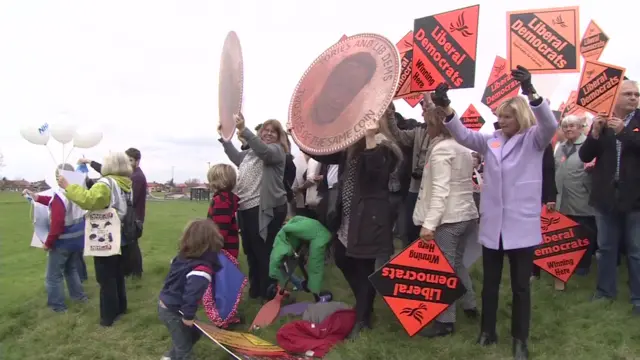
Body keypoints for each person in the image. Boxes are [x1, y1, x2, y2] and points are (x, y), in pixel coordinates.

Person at [441, 65, 557, 360]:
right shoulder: (491, 140)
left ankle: (520, 339)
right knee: (490, 285)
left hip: (521, 226)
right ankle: (487, 331)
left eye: (506, 116)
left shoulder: (534, 140)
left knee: (520, 288)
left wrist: (531, 91)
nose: (500, 120)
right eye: (499, 116)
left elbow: (550, 125)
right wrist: (447, 108)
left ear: (519, 117)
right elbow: (465, 136)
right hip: (494, 226)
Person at [308, 116, 402, 338]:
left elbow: (375, 172)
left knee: (364, 268)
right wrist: (301, 135)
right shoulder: (350, 146)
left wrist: (370, 137)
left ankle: (363, 319)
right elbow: (325, 153)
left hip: (369, 219)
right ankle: (364, 304)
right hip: (348, 217)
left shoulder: (384, 146)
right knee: (342, 258)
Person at [411, 106, 479, 338]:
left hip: (449, 218)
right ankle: (470, 305)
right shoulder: (463, 146)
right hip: (467, 213)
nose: (425, 129)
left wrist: (429, 223)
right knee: (457, 263)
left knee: (444, 269)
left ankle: (445, 321)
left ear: (437, 125)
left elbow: (440, 190)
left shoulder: (441, 150)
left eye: (428, 124)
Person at [578, 79, 640, 314]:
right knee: (605, 248)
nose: (634, 98)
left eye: (636, 94)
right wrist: (594, 133)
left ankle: (638, 299)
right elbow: (585, 156)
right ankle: (605, 292)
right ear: (616, 97)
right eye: (628, 94)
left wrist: (624, 134)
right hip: (605, 198)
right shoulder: (602, 123)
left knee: (636, 251)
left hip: (635, 198)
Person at [58, 152, 134, 327]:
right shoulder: (126, 183)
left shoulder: (106, 183)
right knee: (117, 275)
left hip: (105, 236)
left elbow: (88, 201)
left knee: (105, 277)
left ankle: (108, 317)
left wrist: (68, 187)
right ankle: (121, 308)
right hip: (122, 234)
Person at [219, 114, 288, 300]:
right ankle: (256, 288)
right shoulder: (251, 153)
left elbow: (264, 151)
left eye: (273, 131)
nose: (269, 133)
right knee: (250, 251)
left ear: (279, 136)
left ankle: (269, 291)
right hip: (245, 207)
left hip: (263, 208)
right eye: (265, 130)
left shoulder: (276, 151)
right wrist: (225, 139)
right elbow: (236, 156)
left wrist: (244, 130)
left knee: (263, 252)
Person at [24, 164, 88, 313]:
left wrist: (48, 243)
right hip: (78, 241)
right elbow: (53, 201)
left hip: (62, 242)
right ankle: (79, 297)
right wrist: (35, 196)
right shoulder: (78, 192)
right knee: (71, 270)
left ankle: (57, 306)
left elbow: (57, 223)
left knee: (53, 276)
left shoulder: (61, 196)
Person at [158, 219, 224, 360]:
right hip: (173, 311)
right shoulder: (201, 270)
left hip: (170, 305)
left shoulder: (183, 257)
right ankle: (177, 355)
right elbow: (191, 295)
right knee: (184, 349)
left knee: (194, 333)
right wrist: (188, 316)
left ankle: (170, 357)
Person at [79, 147, 147, 279]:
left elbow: (129, 197)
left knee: (132, 245)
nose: (128, 163)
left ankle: (135, 271)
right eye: (126, 160)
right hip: (129, 215)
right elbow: (108, 172)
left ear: (137, 162)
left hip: (132, 216)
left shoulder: (136, 177)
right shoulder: (128, 177)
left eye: (131, 160)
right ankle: (130, 271)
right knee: (129, 245)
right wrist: (90, 161)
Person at [554, 115, 597, 277]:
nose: (569, 129)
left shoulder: (589, 145)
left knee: (584, 234)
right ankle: (567, 265)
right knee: (567, 236)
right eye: (565, 127)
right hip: (563, 200)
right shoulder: (561, 147)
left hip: (583, 198)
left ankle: (583, 267)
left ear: (580, 127)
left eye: (572, 126)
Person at [206, 164, 240, 259]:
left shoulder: (221, 201)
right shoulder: (227, 199)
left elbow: (220, 231)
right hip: (228, 249)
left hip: (223, 251)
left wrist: (209, 249)